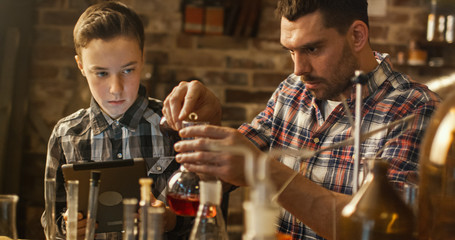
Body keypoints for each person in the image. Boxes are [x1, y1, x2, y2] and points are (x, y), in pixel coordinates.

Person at [162, 0, 441, 239]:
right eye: (291, 51)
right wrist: (209, 127)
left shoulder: (415, 110)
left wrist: (265, 171)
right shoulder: (292, 90)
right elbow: (232, 167)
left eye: (312, 49)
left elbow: (386, 232)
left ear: (357, 35)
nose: (299, 68)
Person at [41, 2, 191, 239]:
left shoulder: (174, 126)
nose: (115, 89)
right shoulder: (65, 135)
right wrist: (65, 227)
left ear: (142, 58)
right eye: (101, 73)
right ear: (81, 66)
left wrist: (171, 220)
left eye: (127, 70)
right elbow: (51, 222)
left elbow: (205, 216)